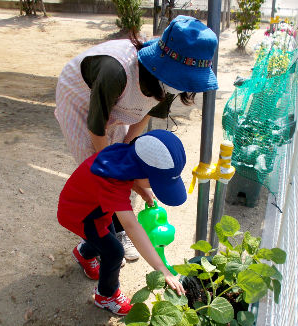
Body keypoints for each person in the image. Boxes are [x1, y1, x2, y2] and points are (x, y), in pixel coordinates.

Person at [55, 15, 218, 262]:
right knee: (100, 174)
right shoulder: (115, 70)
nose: (184, 87)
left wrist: (128, 154)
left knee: (126, 165)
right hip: (80, 99)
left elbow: (146, 112)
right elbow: (97, 129)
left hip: (118, 101)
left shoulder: (169, 79)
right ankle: (103, 235)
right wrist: (112, 166)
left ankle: (119, 228)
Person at [57, 129, 187, 315]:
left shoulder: (124, 154)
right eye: (155, 182)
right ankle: (106, 296)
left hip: (93, 205)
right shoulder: (113, 184)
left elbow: (131, 175)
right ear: (142, 172)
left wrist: (142, 190)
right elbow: (131, 226)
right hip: (81, 214)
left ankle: (84, 253)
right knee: (114, 251)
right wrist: (161, 268)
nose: (154, 186)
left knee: (104, 238)